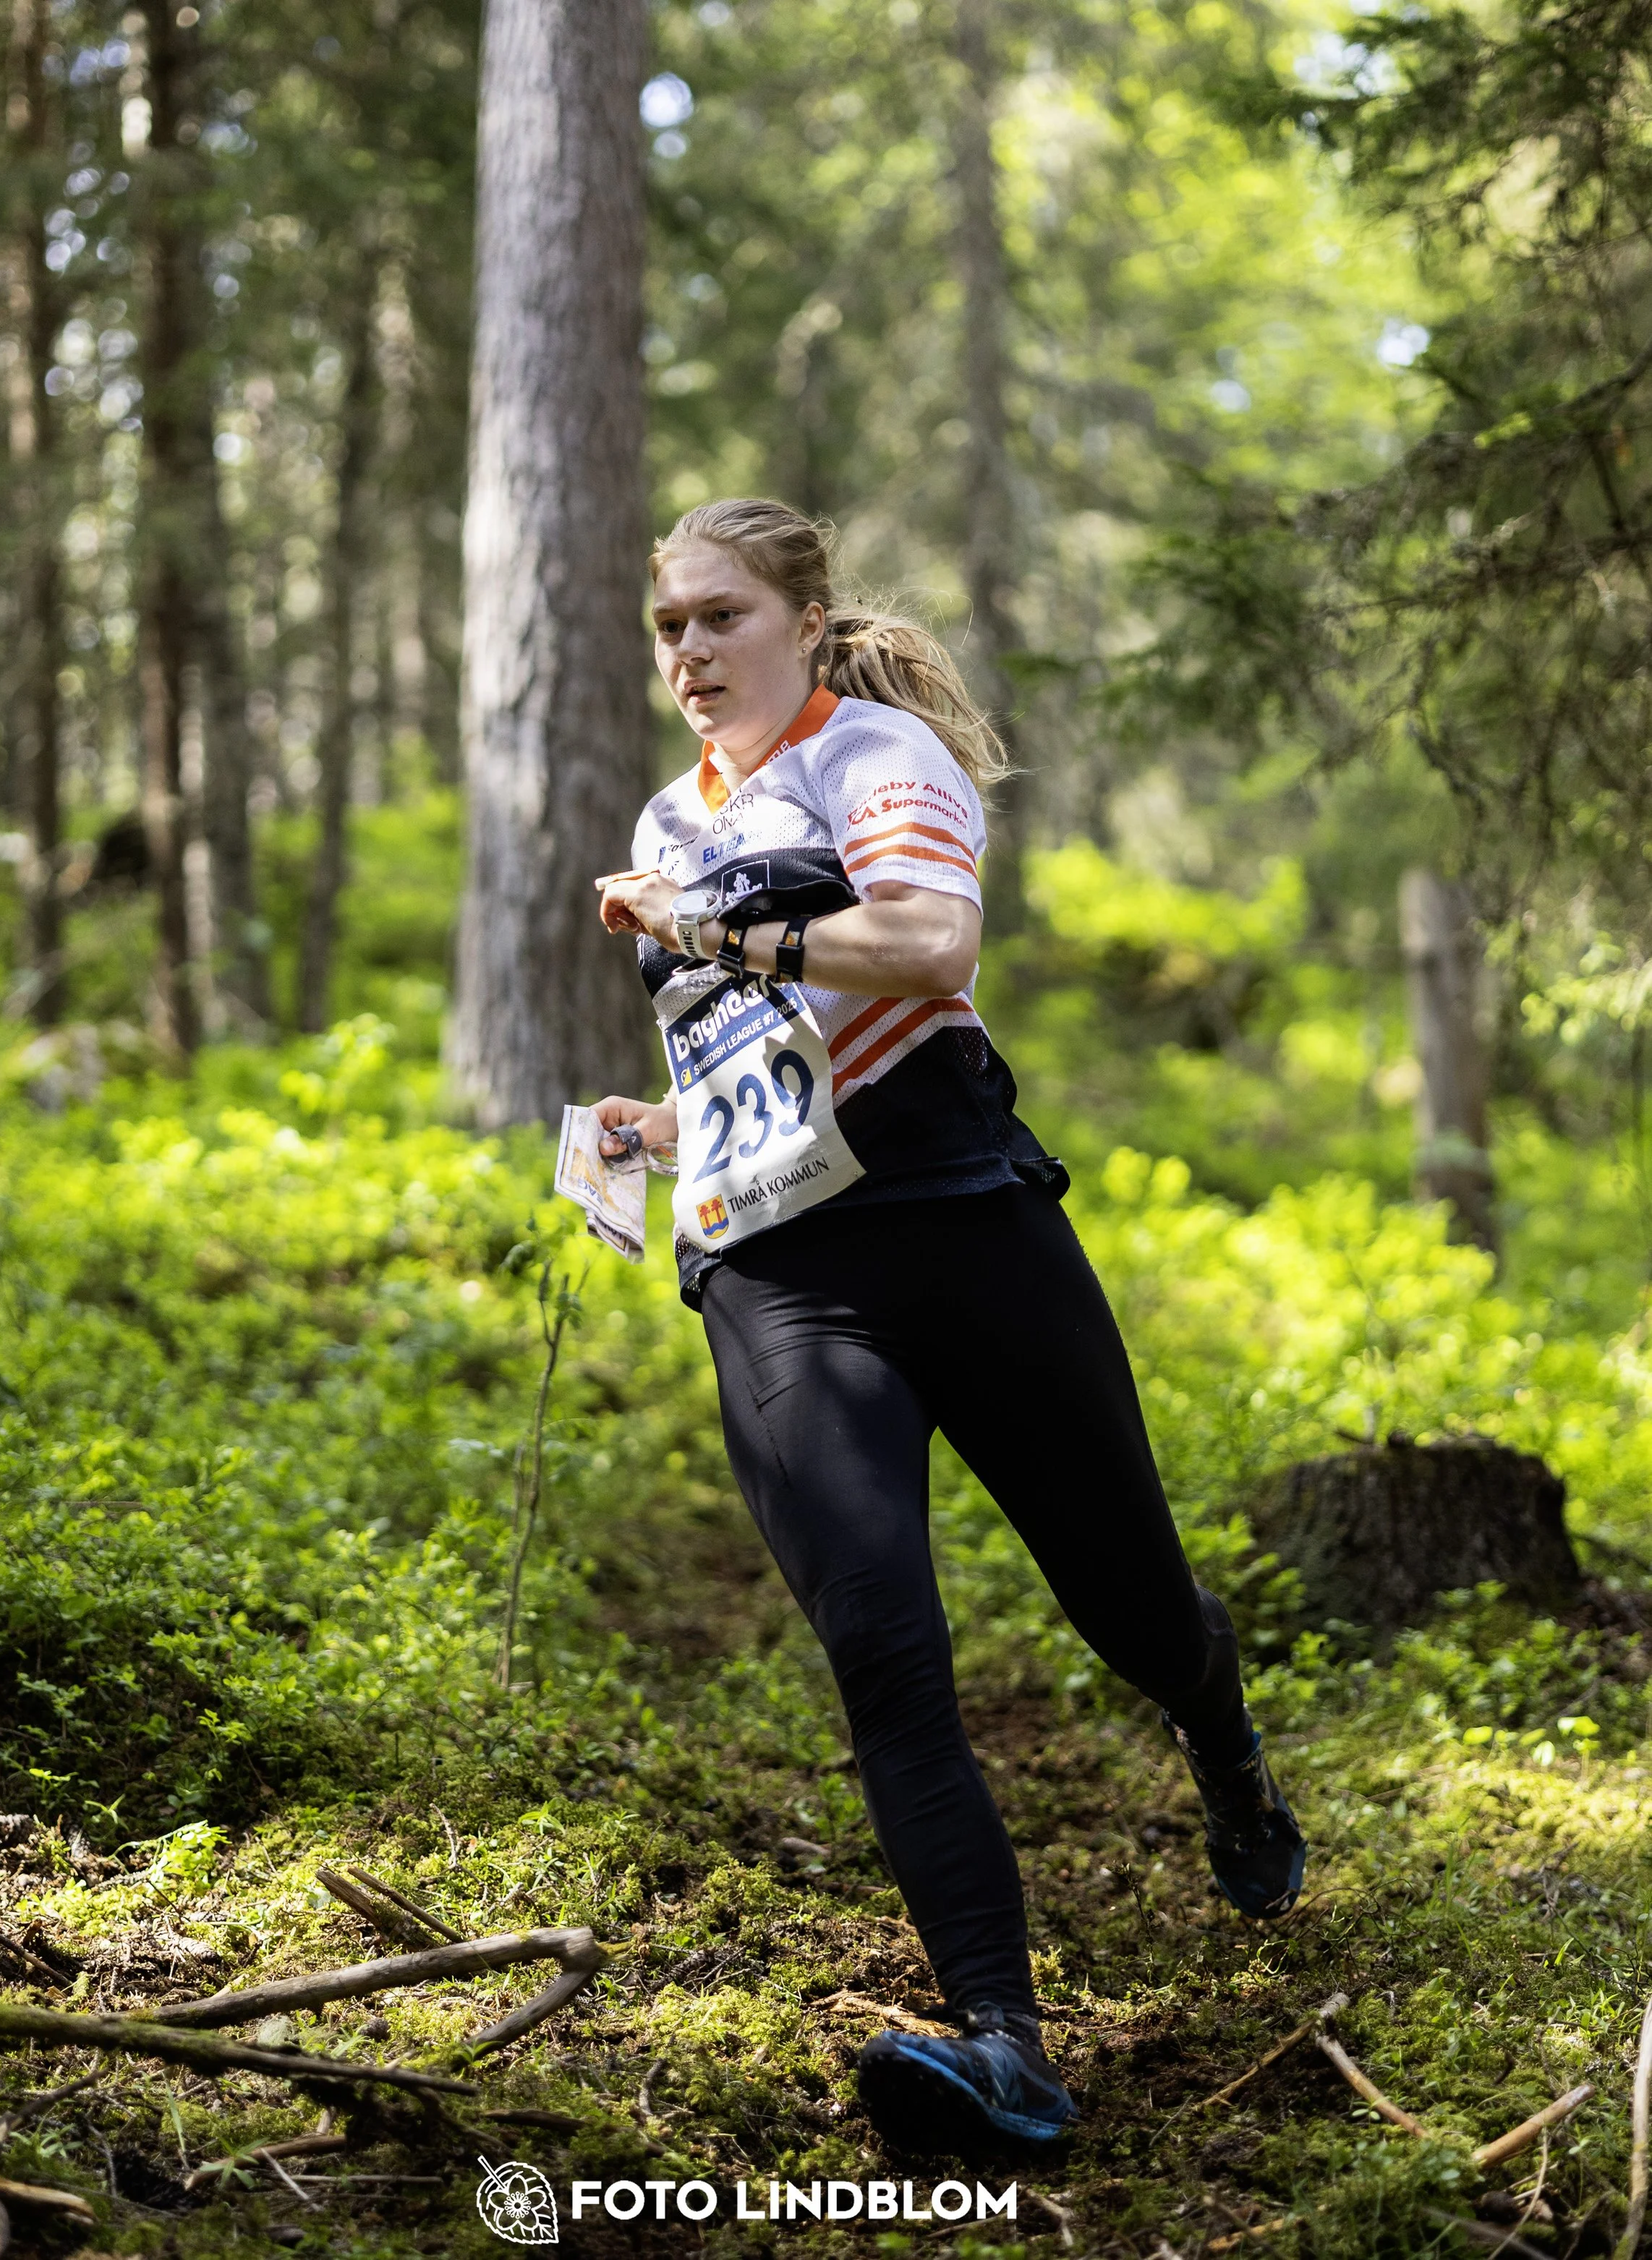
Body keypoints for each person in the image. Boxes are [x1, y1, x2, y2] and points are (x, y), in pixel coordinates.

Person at [594, 498, 1304, 2159]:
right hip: (779, 1271)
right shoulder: (662, 811)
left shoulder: (874, 754)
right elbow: (758, 1077)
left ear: (798, 613)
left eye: (716, 618)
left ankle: (1219, 1735)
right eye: (667, 630)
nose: (687, 654)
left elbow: (928, 940)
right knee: (883, 1653)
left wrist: (707, 925)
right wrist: (655, 1124)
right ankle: (1005, 2042)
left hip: (963, 1227)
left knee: (1129, 1606)